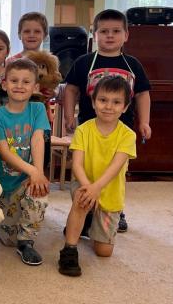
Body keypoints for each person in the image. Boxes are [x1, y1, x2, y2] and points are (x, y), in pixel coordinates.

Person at [63, 9, 151, 232]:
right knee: (84, 169)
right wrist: (68, 116)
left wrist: (144, 122)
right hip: (88, 130)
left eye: (116, 31)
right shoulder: (83, 62)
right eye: (103, 31)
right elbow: (71, 89)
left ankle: (115, 210)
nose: (110, 35)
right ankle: (84, 209)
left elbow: (142, 94)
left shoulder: (133, 64)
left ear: (126, 35)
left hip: (120, 132)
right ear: (95, 35)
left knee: (115, 171)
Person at [58, 76, 136, 277]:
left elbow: (115, 167)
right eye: (103, 100)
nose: (108, 106)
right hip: (85, 184)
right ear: (93, 103)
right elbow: (76, 165)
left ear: (125, 107)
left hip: (109, 190)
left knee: (103, 251)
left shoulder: (128, 135)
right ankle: (69, 249)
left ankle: (88, 223)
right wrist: (88, 187)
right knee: (82, 198)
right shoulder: (83, 130)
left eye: (116, 102)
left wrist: (97, 188)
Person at [0, 58, 51, 265]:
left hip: (26, 179)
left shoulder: (37, 109)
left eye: (26, 81)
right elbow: (5, 153)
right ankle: (10, 224)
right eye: (14, 81)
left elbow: (38, 139)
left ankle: (27, 243)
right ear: (5, 84)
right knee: (8, 240)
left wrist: (37, 173)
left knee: (39, 192)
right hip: (3, 185)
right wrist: (34, 171)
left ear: (35, 87)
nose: (20, 86)